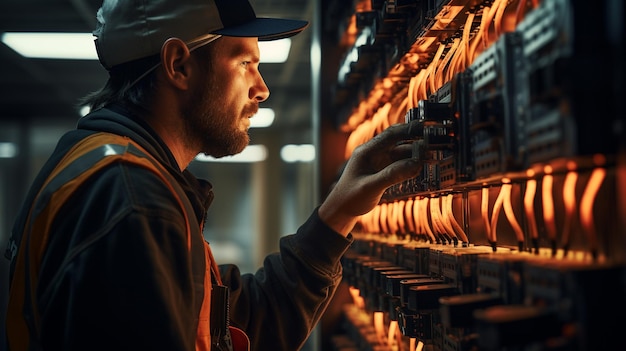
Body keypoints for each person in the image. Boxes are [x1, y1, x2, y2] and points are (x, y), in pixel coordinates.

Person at [3, 0, 423, 350]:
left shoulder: (112, 169)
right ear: (178, 65)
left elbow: (239, 325)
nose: (262, 88)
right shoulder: (132, 199)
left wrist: (339, 212)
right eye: (244, 63)